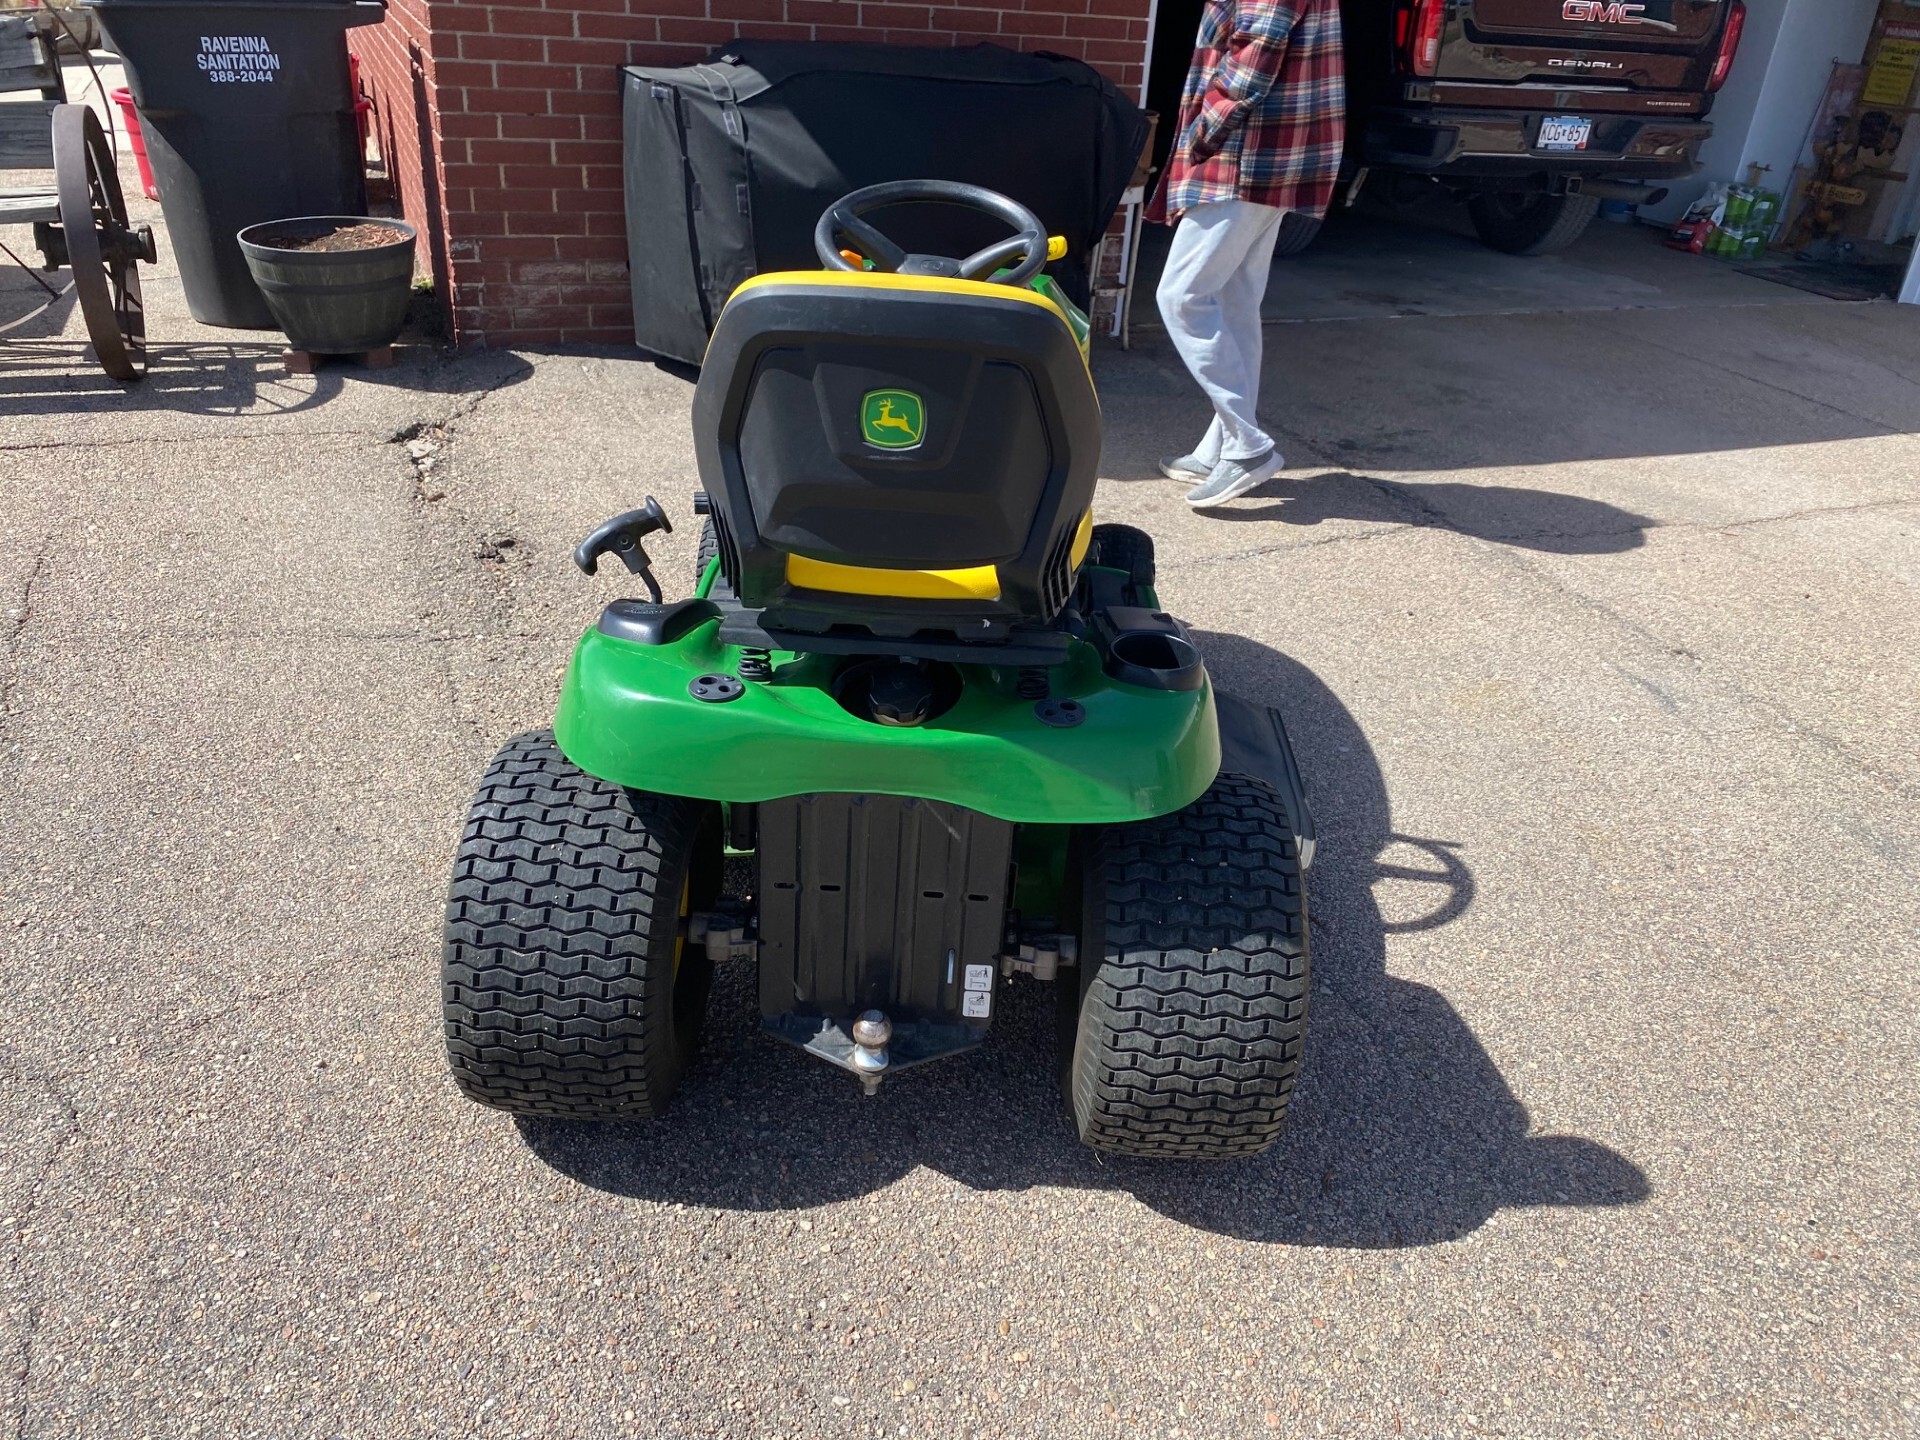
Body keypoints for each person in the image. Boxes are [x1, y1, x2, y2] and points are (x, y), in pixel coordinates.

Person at [1149, 0, 1345, 509]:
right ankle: (1219, 448)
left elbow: (1256, 50)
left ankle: (1247, 447)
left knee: (1181, 296)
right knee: (1234, 303)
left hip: (1245, 155)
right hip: (1270, 156)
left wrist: (1202, 130)